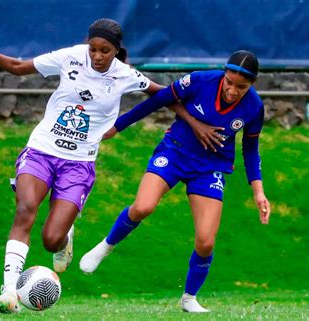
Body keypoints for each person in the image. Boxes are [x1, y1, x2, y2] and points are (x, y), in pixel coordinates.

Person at [0, 18, 221, 314]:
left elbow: (164, 95)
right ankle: (9, 293)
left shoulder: (125, 75)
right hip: (41, 150)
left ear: (116, 51)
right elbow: (18, 67)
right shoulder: (70, 57)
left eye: (104, 51)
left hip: (79, 165)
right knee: (25, 208)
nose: (96, 56)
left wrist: (195, 123)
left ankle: (66, 236)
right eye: (92, 49)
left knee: (51, 239)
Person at [79, 50, 272, 313]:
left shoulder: (254, 107)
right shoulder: (200, 81)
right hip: (175, 151)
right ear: (224, 74)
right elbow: (158, 99)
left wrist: (258, 192)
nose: (232, 90)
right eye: (229, 82)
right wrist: (119, 126)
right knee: (143, 207)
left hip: (211, 166)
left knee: (206, 241)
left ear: (252, 84)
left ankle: (189, 298)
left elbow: (251, 149)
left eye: (242, 87)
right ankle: (106, 246)